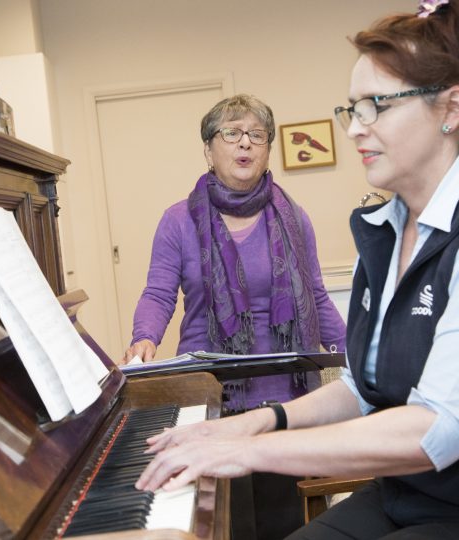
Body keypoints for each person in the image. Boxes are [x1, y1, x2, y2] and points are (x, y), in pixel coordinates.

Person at [134, 1, 459, 539]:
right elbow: (363, 386)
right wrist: (260, 420)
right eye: (353, 109)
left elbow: (437, 430)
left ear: (450, 109)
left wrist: (250, 449)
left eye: (376, 106)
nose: (354, 129)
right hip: (415, 493)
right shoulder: (386, 230)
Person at [123, 93, 347, 538]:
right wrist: (143, 337)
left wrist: (355, 353)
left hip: (285, 397)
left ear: (267, 150)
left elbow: (317, 296)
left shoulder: (293, 217)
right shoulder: (178, 220)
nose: (245, 144)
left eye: (257, 135)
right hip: (211, 396)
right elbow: (158, 291)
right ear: (209, 148)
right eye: (231, 133)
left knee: (284, 522)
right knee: (227, 523)